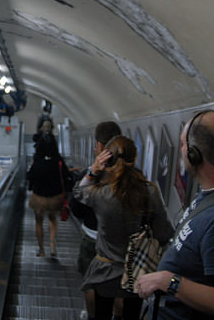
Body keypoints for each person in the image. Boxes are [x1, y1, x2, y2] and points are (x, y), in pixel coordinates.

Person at [135, 110, 214, 320]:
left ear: (195, 155)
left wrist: (168, 281)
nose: (181, 149)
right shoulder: (213, 196)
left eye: (183, 144)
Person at [74, 136, 173, 320]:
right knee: (131, 314)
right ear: (134, 158)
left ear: (107, 161)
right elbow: (164, 232)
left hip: (105, 270)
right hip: (137, 270)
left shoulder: (102, 194)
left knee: (101, 314)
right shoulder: (149, 192)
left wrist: (93, 170)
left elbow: (79, 192)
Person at [70, 121, 122, 320]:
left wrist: (91, 172)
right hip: (121, 241)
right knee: (120, 284)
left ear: (99, 146)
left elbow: (77, 208)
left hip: (93, 238)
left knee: (91, 283)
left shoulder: (93, 175)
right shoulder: (133, 175)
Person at [27, 130, 72, 258]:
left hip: (38, 198)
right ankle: (52, 244)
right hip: (55, 197)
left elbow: (30, 176)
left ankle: (41, 250)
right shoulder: (58, 161)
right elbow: (66, 175)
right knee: (52, 219)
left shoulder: (37, 161)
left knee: (39, 222)